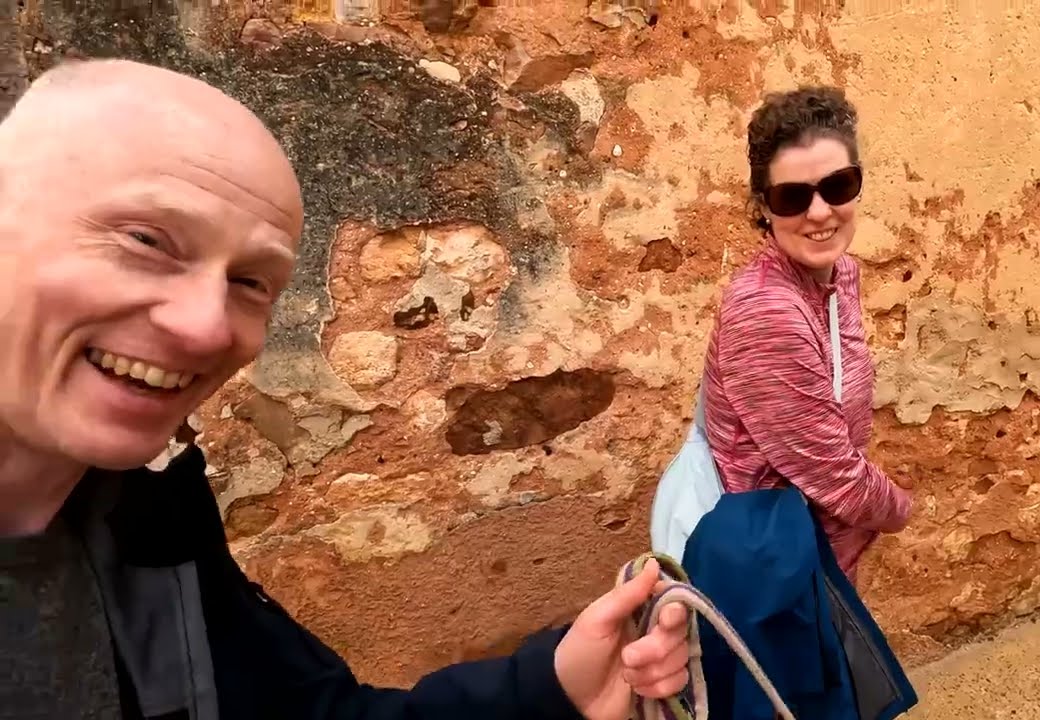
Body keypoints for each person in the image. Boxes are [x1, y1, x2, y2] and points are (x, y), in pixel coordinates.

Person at [0, 57, 689, 720]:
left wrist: (553, 691)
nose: (207, 327)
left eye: (250, 283)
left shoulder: (147, 525)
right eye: (147, 240)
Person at [700, 86, 913, 581]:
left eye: (837, 186)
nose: (819, 213)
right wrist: (902, 508)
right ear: (765, 207)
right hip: (781, 572)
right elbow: (831, 474)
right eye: (793, 196)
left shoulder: (840, 276)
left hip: (827, 558)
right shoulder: (765, 309)